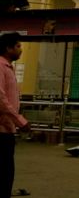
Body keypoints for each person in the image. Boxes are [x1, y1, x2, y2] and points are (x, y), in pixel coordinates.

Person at [1, 32, 30, 198]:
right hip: (2, 130)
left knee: (7, 173)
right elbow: (1, 99)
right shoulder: (0, 67)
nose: (21, 49)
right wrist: (20, 121)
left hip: (7, 129)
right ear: (8, 48)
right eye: (18, 46)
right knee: (4, 174)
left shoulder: (8, 68)